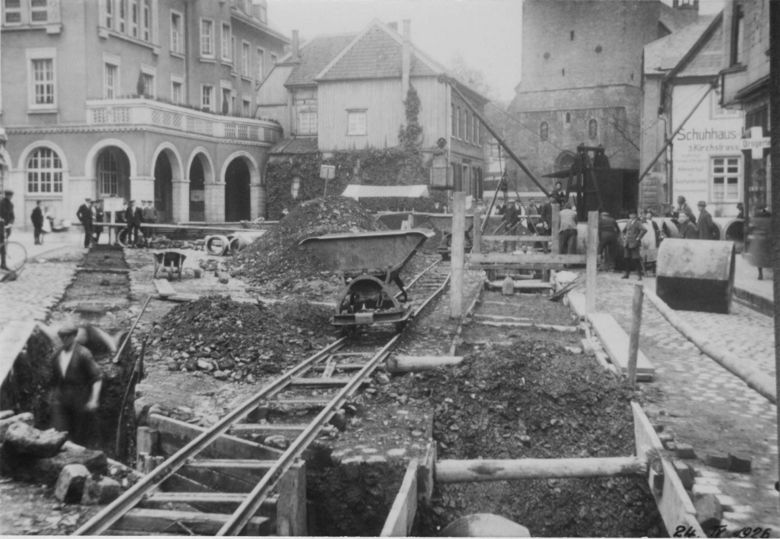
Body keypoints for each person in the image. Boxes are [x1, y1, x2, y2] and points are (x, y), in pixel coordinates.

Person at [49, 323, 102, 446]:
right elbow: (53, 379)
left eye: (67, 337)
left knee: (80, 433)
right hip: (61, 398)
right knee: (59, 431)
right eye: (62, 337)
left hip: (79, 397)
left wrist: (94, 400)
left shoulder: (84, 354)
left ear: (74, 336)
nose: (64, 340)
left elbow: (97, 378)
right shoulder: (56, 355)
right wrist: (52, 395)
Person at [622, 209, 646, 280]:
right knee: (626, 258)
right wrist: (624, 237)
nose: (631, 216)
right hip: (627, 243)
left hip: (634, 243)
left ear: (635, 215)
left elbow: (644, 230)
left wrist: (638, 238)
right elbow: (623, 230)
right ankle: (627, 274)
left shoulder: (638, 222)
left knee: (636, 259)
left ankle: (639, 275)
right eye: (630, 214)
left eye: (632, 214)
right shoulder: (628, 222)